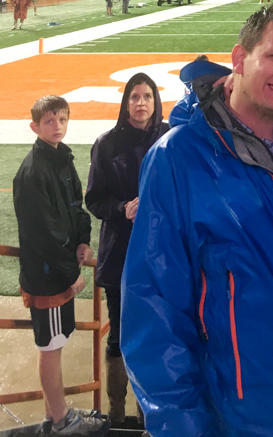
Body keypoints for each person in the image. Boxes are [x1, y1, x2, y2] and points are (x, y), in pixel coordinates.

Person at [121, 4, 273, 437]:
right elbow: (153, 307)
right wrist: (182, 426)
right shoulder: (177, 158)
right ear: (238, 58)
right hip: (240, 412)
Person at [13, 96, 110, 435]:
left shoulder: (62, 159)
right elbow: (44, 235)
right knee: (51, 347)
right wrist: (72, 277)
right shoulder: (32, 171)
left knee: (55, 342)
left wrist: (83, 240)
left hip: (56, 272)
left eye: (62, 119)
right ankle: (59, 420)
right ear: (35, 126)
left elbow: (75, 208)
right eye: (50, 121)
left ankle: (55, 414)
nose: (57, 126)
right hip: (49, 278)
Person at [85, 74, 169, 424]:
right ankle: (117, 413)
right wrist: (123, 209)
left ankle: (148, 411)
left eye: (147, 96)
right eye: (134, 96)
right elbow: (94, 198)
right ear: (126, 102)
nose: (140, 103)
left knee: (156, 333)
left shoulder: (169, 138)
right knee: (119, 334)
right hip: (120, 253)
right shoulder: (107, 144)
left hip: (162, 256)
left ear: (155, 100)